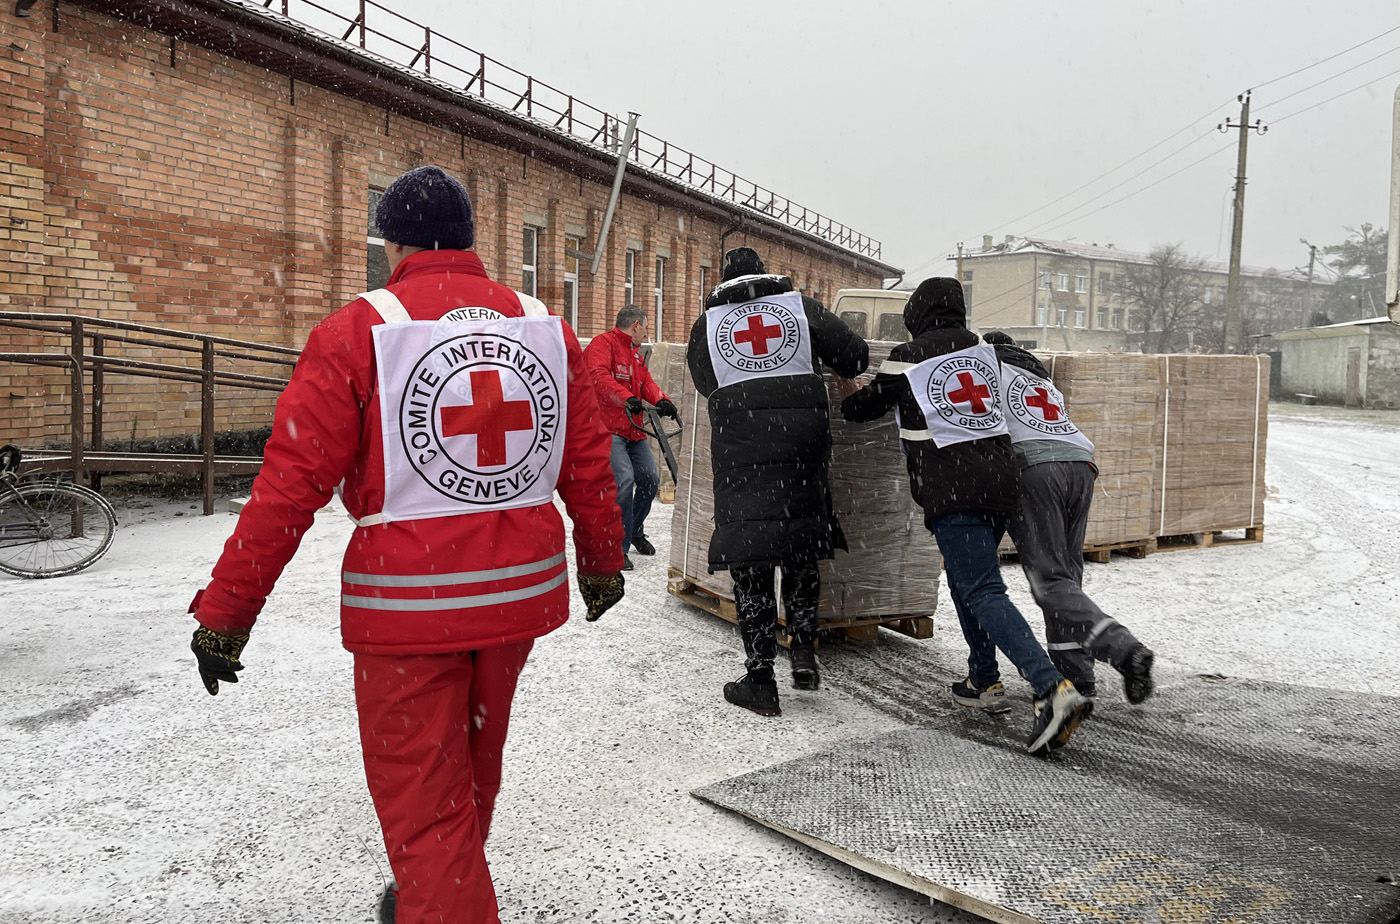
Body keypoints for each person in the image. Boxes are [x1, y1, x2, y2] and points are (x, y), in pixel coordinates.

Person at [186, 165, 625, 924]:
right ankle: (435, 885)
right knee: (470, 764)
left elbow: (290, 486)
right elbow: (587, 460)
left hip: (412, 606)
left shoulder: (357, 331)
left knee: (423, 799)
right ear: (470, 241)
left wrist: (229, 612)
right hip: (516, 597)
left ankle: (440, 893)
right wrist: (600, 562)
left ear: (394, 243)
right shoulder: (544, 327)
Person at [839, 277, 1089, 755]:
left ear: (918, 311)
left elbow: (859, 410)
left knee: (983, 589)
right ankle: (983, 679)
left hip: (954, 488)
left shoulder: (909, 355)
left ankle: (1052, 689)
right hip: (1001, 482)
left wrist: (853, 386)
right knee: (967, 578)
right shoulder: (983, 351)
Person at [687, 246, 868, 716]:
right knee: (800, 543)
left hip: (742, 450)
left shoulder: (708, 326)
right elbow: (855, 356)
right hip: (802, 444)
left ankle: (761, 676)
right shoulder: (800, 310)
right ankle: (804, 650)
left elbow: (707, 383)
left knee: (752, 558)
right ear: (765, 276)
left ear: (724, 281)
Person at [981, 330, 1155, 708]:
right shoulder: (1038, 375)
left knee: (1049, 581)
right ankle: (1077, 675)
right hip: (1080, 463)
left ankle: (1123, 649)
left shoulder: (985, 367)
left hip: (1036, 469)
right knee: (1065, 579)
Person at [584, 305, 678, 571]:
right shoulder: (603, 344)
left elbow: (645, 382)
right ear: (636, 325)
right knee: (623, 480)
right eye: (646, 327)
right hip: (608, 429)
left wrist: (662, 400)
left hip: (634, 430)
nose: (647, 332)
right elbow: (598, 377)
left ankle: (634, 530)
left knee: (650, 478)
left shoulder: (636, 355)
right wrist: (627, 398)